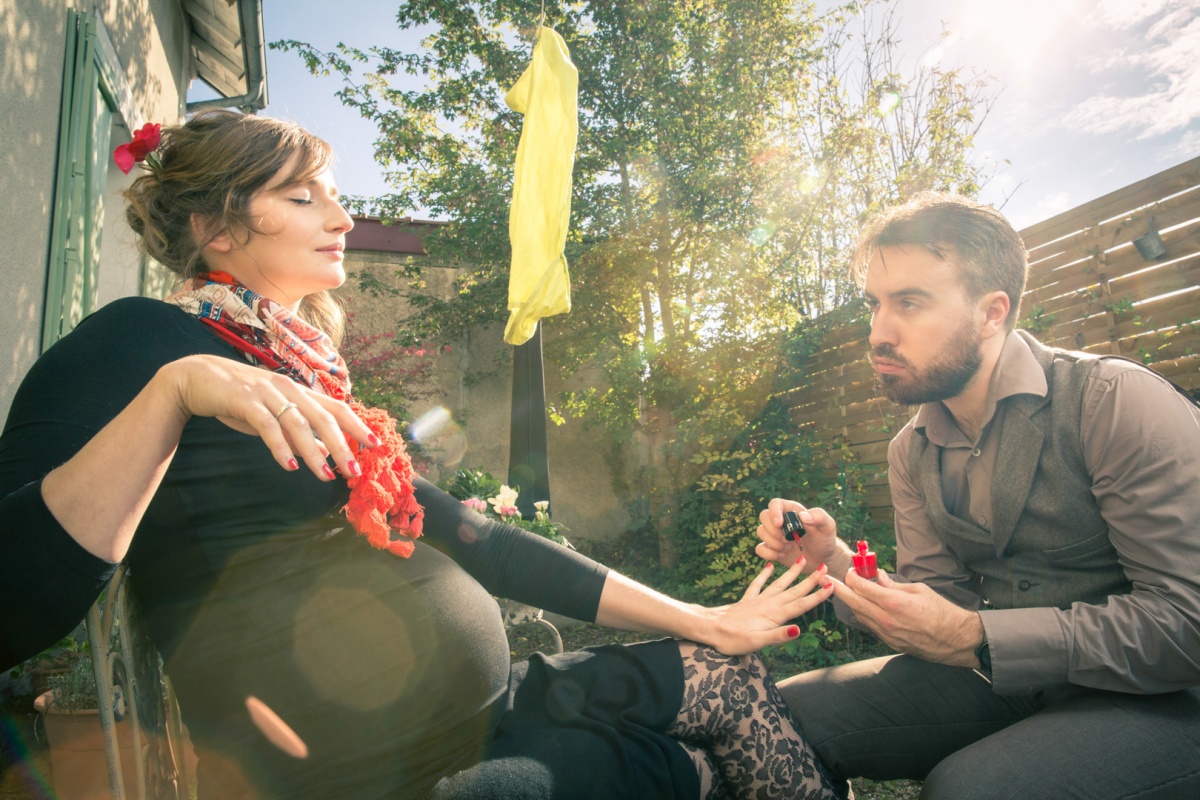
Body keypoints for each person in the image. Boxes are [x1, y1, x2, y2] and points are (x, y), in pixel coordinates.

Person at [0, 110, 840, 800]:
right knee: (687, 774)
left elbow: (481, 540)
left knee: (725, 678)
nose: (341, 220)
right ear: (213, 222)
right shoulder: (138, 342)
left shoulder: (297, 368)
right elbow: (13, 598)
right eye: (301, 198)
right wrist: (170, 393)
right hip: (362, 772)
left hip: (472, 712)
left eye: (336, 197)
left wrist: (708, 619)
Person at [756, 193, 1200, 799]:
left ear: (993, 313)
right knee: (771, 715)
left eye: (909, 303)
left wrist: (977, 638)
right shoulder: (910, 451)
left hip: (1165, 698)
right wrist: (831, 568)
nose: (878, 333)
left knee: (969, 788)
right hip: (1000, 680)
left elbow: (1187, 623)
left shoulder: (1114, 401)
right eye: (875, 305)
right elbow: (937, 611)